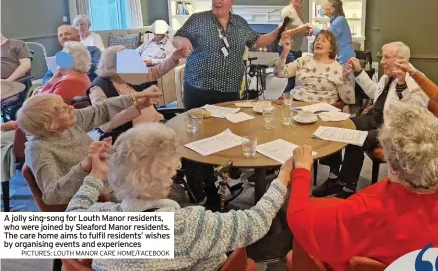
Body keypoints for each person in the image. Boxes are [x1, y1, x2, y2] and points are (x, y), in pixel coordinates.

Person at [287, 50, 438, 271]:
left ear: (391, 165)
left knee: (294, 252)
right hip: (421, 261)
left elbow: (299, 218)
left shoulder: (365, 209)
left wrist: (302, 171)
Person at [66, 123, 292, 271]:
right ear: (169, 173)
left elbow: (72, 214)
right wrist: (282, 179)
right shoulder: (188, 225)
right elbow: (257, 222)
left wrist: (95, 175)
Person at [313, 42, 428, 198]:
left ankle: (347, 186)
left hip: (392, 129)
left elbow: (419, 111)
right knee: (340, 127)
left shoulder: (415, 79)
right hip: (375, 118)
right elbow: (375, 92)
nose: (381, 61)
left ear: (401, 60)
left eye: (386, 57)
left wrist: (402, 85)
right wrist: (358, 72)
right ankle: (334, 177)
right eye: (382, 56)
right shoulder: (388, 76)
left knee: (356, 139)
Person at [17, 88, 162, 205]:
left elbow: (101, 109)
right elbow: (51, 195)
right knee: (168, 195)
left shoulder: (69, 124)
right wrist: (84, 167)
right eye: (63, 109)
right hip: (102, 198)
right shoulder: (38, 149)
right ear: (50, 125)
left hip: (114, 179)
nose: (70, 107)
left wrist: (136, 98)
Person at [173, 0, 282, 109]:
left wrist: (277, 33)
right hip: (198, 88)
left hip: (230, 89)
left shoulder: (240, 22)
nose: (217, 1)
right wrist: (181, 41)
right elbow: (176, 37)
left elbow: (256, 41)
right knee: (197, 126)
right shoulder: (198, 19)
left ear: (231, 1)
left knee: (227, 125)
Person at [89, 45, 187, 131]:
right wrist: (140, 105)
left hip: (159, 123)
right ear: (112, 67)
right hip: (138, 135)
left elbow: (154, 72)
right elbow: (104, 125)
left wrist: (174, 57)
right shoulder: (99, 89)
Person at [274, 31, 354, 105]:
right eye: (317, 40)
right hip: (297, 104)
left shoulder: (338, 69)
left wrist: (345, 79)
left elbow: (349, 100)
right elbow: (278, 73)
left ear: (331, 48)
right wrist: (285, 52)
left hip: (324, 110)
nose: (318, 42)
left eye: (323, 41)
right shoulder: (303, 60)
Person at [279, 0, 310, 93]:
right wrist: (302, 28)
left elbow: (298, 31)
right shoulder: (286, 11)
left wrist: (307, 32)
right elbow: (282, 33)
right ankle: (281, 101)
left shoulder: (300, 10)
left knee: (298, 80)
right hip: (287, 49)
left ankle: (292, 102)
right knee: (293, 80)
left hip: (297, 49)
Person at [309, 0, 355, 64]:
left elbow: (327, 35)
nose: (323, 7)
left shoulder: (340, 20)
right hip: (341, 56)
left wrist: (313, 29)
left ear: (332, 9)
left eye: (325, 5)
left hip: (344, 58)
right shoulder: (337, 20)